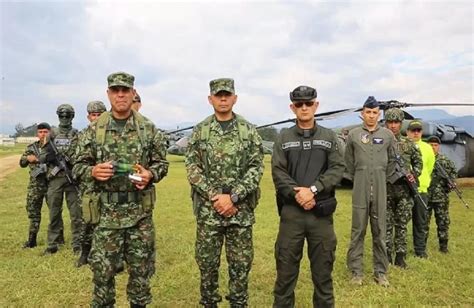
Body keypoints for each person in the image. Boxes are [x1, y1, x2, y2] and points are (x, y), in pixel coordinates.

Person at [73, 72, 168, 308]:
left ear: (133, 93)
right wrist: (93, 171)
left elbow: (162, 164)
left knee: (141, 277)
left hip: (139, 215)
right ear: (109, 94)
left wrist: (150, 174)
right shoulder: (94, 130)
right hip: (106, 216)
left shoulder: (148, 128)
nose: (121, 95)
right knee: (102, 278)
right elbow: (77, 166)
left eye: (126, 90)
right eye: (116, 90)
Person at [185, 78, 264, 308]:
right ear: (210, 99)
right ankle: (209, 302)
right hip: (209, 212)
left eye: (227, 95)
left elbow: (256, 166)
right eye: (218, 95)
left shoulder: (248, 130)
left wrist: (234, 196)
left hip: (240, 211)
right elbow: (192, 168)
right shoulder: (201, 131)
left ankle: (238, 303)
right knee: (207, 264)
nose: (222, 99)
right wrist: (215, 196)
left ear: (235, 98)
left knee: (240, 265)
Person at [272, 85, 344, 307]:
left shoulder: (329, 137)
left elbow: (337, 168)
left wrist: (312, 190)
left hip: (320, 215)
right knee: (285, 274)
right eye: (299, 104)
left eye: (309, 103)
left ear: (316, 105)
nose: (304, 108)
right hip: (292, 214)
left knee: (323, 274)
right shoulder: (283, 138)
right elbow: (278, 171)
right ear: (292, 108)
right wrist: (299, 194)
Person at [345, 96, 396, 287]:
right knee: (358, 229)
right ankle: (356, 272)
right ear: (362, 113)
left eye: (375, 112)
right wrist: (360, 176)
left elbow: (392, 161)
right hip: (360, 186)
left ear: (379, 114)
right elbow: (348, 162)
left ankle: (381, 271)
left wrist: (381, 175)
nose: (371, 116)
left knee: (380, 230)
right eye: (368, 112)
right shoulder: (354, 135)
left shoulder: (388, 135)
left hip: (381, 186)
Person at [41, 104, 82, 255]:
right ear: (58, 116)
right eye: (62, 116)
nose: (64, 119)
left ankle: (77, 244)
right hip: (55, 179)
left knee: (76, 214)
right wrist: (50, 157)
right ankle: (53, 244)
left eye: (67, 116)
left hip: (72, 178)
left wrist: (72, 162)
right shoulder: (51, 134)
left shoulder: (77, 134)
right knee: (54, 213)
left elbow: (82, 155)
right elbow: (42, 156)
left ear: (72, 117)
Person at [384, 108, 422, 268]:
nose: (393, 126)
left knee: (401, 224)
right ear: (386, 123)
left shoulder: (409, 144)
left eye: (396, 122)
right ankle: (386, 255)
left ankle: (400, 256)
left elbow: (419, 163)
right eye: (390, 122)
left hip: (404, 191)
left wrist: (414, 173)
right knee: (385, 224)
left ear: (401, 124)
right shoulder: (380, 143)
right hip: (385, 190)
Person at [75, 100, 107, 267]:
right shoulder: (83, 135)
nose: (96, 118)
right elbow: (77, 166)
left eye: (99, 114)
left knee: (108, 221)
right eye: (93, 115)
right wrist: (91, 171)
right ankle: (85, 253)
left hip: (108, 186)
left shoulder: (112, 133)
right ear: (88, 117)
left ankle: (109, 256)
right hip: (88, 186)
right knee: (87, 220)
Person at [19, 122, 51, 248]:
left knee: (55, 212)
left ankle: (58, 239)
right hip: (35, 186)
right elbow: (21, 163)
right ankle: (32, 240)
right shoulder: (31, 147)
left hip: (51, 184)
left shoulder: (54, 147)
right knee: (33, 212)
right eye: (40, 132)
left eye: (45, 132)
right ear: (37, 133)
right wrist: (27, 159)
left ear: (49, 132)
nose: (43, 134)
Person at [406, 120, 435, 258]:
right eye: (413, 130)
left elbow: (429, 168)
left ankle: (420, 250)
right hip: (404, 191)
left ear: (422, 132)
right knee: (399, 222)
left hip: (421, 191)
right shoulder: (402, 145)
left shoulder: (428, 148)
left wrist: (423, 182)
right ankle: (398, 249)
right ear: (407, 132)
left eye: (418, 130)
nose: (416, 133)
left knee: (420, 222)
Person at [426, 135, 457, 253]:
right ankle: (421, 246)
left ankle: (443, 246)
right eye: (431, 145)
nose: (433, 147)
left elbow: (453, 173)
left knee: (443, 222)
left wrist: (451, 183)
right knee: (423, 223)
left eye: (435, 145)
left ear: (439, 146)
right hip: (426, 197)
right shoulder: (423, 159)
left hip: (441, 197)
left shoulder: (445, 161)